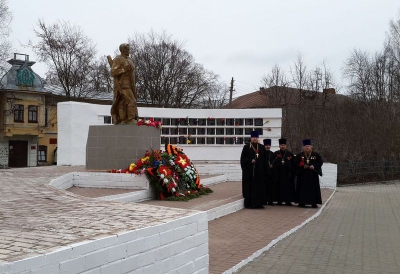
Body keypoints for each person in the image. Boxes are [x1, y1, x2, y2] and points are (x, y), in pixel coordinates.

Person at [109, 43, 138, 125]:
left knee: (122, 102)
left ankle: (122, 119)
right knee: (131, 101)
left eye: (129, 49)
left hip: (130, 84)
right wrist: (123, 70)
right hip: (122, 84)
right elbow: (113, 72)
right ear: (122, 50)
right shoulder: (118, 59)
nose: (129, 51)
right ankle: (130, 119)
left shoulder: (129, 59)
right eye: (127, 49)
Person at [240, 131, 265, 208]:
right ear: (251, 138)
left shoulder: (261, 147)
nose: (255, 139)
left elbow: (264, 159)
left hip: (259, 172)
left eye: (256, 137)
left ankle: (259, 204)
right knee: (249, 188)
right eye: (253, 137)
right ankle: (249, 204)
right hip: (249, 172)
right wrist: (250, 161)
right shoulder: (246, 147)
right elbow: (243, 159)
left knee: (259, 188)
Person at [295, 139, 323, 208]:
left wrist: (314, 166)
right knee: (302, 189)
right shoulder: (299, 155)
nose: (307, 147)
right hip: (302, 175)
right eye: (306, 146)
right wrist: (301, 166)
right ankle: (302, 202)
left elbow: (320, 162)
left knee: (313, 189)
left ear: (311, 147)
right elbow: (295, 163)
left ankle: (314, 203)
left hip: (312, 175)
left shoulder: (316, 155)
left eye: (308, 146)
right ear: (303, 147)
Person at [273, 138, 296, 206]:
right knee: (278, 187)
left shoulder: (290, 154)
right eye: (281, 145)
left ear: (286, 146)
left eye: (284, 145)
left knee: (288, 188)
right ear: (279, 146)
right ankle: (279, 200)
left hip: (287, 174)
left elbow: (293, 163)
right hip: (279, 174)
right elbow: (273, 163)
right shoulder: (276, 154)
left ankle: (288, 201)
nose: (283, 146)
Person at [263, 138, 276, 206]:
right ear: (264, 145)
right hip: (264, 174)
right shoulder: (261, 154)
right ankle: (264, 200)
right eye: (266, 145)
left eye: (269, 145)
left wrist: (272, 166)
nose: (268, 146)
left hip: (270, 174)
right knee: (264, 188)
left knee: (271, 188)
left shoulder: (272, 154)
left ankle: (270, 201)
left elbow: (275, 163)